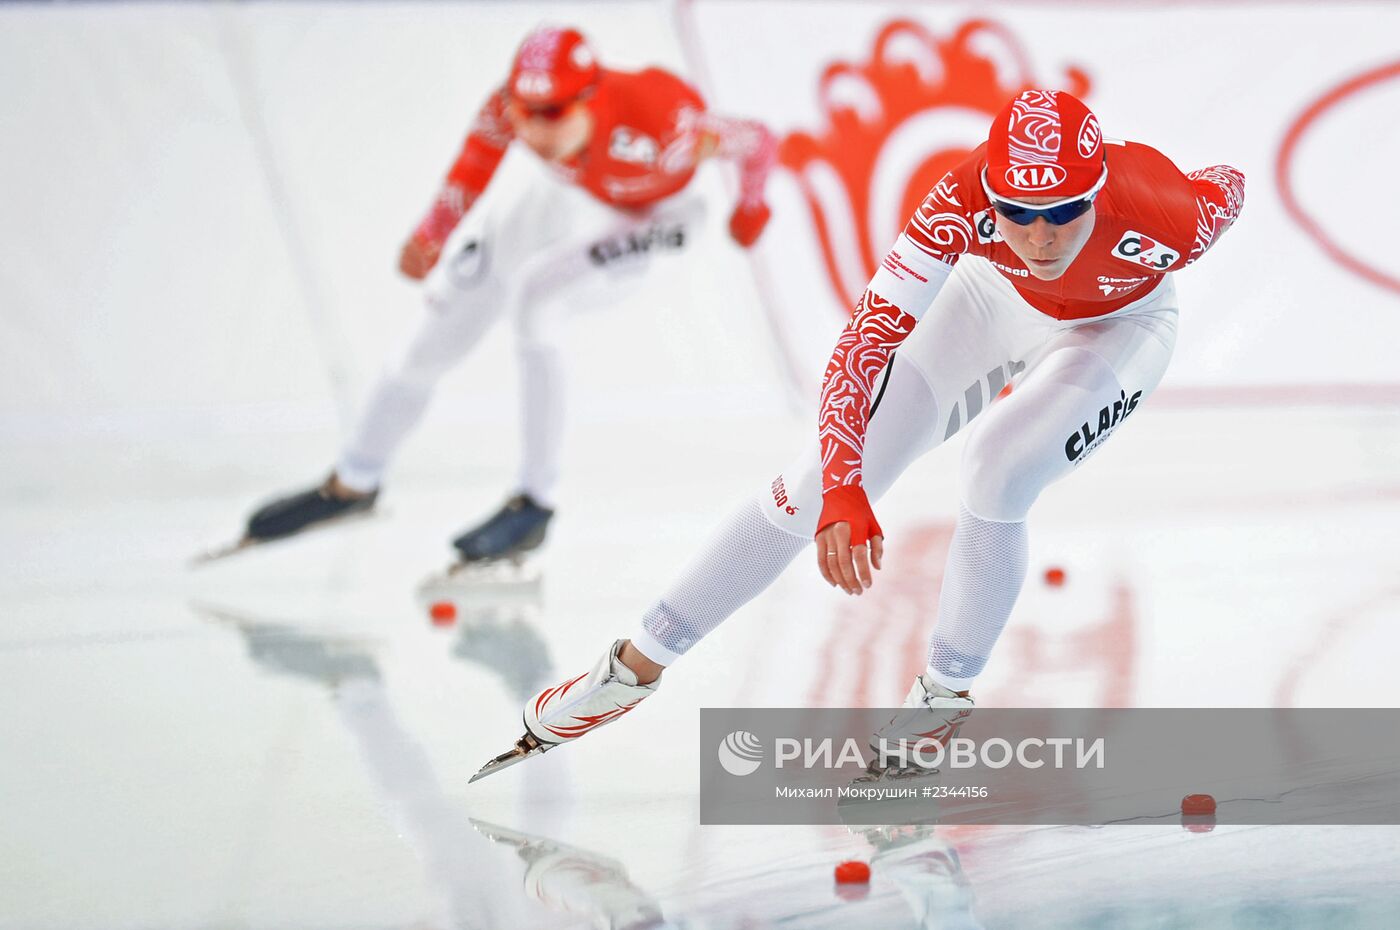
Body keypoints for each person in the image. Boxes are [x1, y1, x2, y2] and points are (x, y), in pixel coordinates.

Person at [475, 89, 1245, 779]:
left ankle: (941, 699)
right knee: (816, 482)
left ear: (1099, 189)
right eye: (1018, 213)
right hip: (991, 297)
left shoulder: (1167, 212)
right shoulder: (958, 200)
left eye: (1063, 210)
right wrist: (845, 490)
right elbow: (864, 342)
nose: (1041, 237)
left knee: (999, 469)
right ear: (992, 196)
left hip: (1121, 320)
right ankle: (630, 669)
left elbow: (1230, 185)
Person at [241, 26, 776, 564]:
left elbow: (758, 140)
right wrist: (432, 234)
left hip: (660, 214)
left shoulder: (665, 126)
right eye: (526, 112)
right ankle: (354, 480)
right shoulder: (507, 107)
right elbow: (473, 166)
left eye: (554, 113)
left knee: (537, 300)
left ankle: (535, 504)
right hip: (572, 190)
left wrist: (751, 208)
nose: (536, 128)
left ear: (591, 98)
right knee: (447, 312)